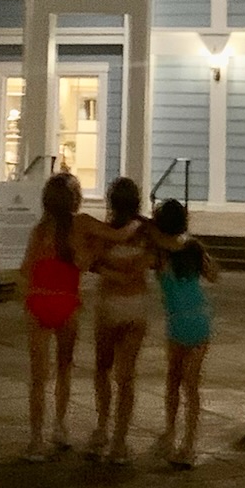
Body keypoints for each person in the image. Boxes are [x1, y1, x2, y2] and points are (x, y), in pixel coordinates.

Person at [18, 170, 117, 460]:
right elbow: (113, 236)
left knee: (38, 376)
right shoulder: (81, 224)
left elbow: (26, 268)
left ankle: (35, 439)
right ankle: (60, 426)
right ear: (74, 198)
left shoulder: (40, 230)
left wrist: (27, 295)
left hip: (40, 298)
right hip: (67, 300)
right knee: (64, 367)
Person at [86, 176, 158, 464]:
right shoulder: (146, 232)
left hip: (109, 305)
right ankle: (119, 439)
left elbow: (91, 261)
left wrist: (110, 272)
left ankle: (103, 426)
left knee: (103, 368)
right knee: (126, 376)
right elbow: (148, 262)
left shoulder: (105, 232)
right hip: (135, 306)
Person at [153, 198, 219, 468]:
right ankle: (189, 443)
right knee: (191, 385)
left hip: (177, 321)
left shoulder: (160, 254)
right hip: (199, 318)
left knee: (173, 379)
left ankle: (170, 432)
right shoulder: (193, 248)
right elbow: (213, 274)